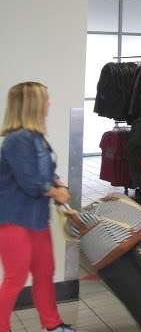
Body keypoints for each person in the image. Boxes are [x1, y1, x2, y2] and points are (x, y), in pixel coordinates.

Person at [0, 82, 76, 332]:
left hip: (37, 219)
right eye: (46, 99)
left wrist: (59, 185)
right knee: (16, 277)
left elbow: (46, 173)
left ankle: (52, 324)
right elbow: (31, 182)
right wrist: (57, 192)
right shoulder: (17, 140)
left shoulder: (36, 137)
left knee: (45, 273)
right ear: (33, 104)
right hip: (14, 220)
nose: (49, 104)